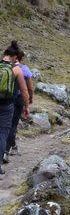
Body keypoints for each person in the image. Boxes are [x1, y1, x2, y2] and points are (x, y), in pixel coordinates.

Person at [0, 41, 29, 174]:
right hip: (7, 105)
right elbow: (24, 91)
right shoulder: (16, 69)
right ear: (15, 57)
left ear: (5, 54)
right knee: (3, 133)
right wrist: (26, 106)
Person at [5, 49, 34, 161]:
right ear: (20, 58)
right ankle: (6, 151)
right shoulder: (24, 69)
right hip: (18, 99)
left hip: (4, 98)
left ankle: (13, 146)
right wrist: (29, 100)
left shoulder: (5, 66)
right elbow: (29, 87)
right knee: (12, 125)